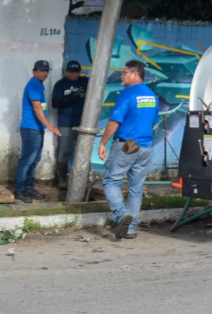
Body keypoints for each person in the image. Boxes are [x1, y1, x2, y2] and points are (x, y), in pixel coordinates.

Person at [97, 59, 158, 240]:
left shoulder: (127, 93)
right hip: (145, 147)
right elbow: (153, 121)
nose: (122, 76)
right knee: (136, 188)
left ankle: (122, 214)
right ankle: (131, 228)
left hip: (126, 145)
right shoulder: (152, 95)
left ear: (134, 74)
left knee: (110, 181)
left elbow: (115, 120)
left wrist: (103, 142)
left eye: (124, 72)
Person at [16, 59, 61, 203]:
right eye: (41, 70)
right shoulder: (34, 86)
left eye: (46, 70)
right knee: (27, 161)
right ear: (34, 71)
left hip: (37, 129)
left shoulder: (39, 85)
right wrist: (50, 126)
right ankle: (20, 190)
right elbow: (37, 108)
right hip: (31, 129)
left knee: (34, 160)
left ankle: (29, 187)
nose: (44, 73)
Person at [51, 60, 89, 189]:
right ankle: (62, 179)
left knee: (84, 151)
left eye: (77, 72)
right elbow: (54, 104)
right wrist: (68, 98)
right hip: (66, 123)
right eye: (72, 72)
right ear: (67, 71)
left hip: (83, 123)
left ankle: (82, 178)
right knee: (64, 151)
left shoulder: (84, 82)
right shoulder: (60, 85)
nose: (74, 74)